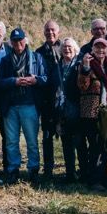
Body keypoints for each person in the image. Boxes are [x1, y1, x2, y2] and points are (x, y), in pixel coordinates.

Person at [0, 27, 49, 184]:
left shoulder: (37, 58)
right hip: (10, 106)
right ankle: (13, 169)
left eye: (20, 40)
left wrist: (35, 80)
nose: (18, 44)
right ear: (11, 43)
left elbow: (46, 78)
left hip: (29, 105)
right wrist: (14, 81)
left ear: (25, 41)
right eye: (14, 41)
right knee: (11, 141)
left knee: (32, 140)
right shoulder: (5, 61)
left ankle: (33, 169)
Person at [77, 37, 107, 188]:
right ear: (92, 50)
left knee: (106, 147)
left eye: (103, 48)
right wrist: (85, 68)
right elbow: (82, 86)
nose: (100, 50)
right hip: (91, 113)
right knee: (95, 147)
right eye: (97, 48)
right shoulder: (86, 66)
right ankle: (93, 180)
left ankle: (103, 178)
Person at [36, 20, 64, 181]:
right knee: (47, 137)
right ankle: (48, 170)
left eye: (53, 30)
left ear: (58, 31)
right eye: (47, 30)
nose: (50, 33)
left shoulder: (66, 48)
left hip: (63, 99)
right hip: (46, 101)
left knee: (68, 136)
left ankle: (71, 169)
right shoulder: (39, 52)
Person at [57, 37, 83, 182]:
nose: (67, 49)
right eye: (64, 47)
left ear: (75, 50)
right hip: (62, 110)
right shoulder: (57, 66)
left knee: (79, 143)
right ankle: (69, 173)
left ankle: (83, 172)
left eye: (70, 47)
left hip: (77, 108)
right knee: (66, 143)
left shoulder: (79, 65)